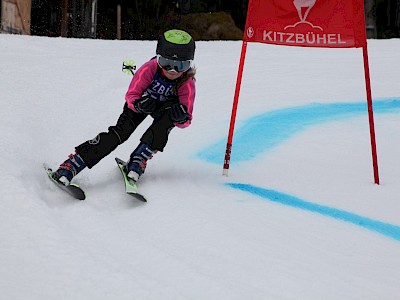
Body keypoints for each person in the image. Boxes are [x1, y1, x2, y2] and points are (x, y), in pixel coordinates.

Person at [52, 29, 196, 185]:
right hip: (141, 104)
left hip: (163, 110)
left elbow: (186, 119)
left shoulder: (186, 83)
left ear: (188, 65)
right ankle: (73, 163)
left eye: (180, 65)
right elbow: (131, 95)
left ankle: (139, 158)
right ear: (158, 59)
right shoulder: (149, 68)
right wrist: (138, 104)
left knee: (164, 125)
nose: (172, 71)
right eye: (166, 63)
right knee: (119, 134)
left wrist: (181, 118)